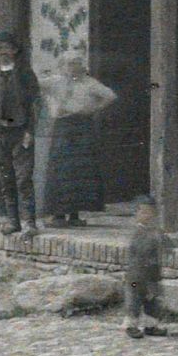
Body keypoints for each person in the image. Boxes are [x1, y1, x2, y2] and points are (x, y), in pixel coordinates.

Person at [37, 55, 116, 227]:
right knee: (61, 170)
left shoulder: (89, 83)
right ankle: (57, 216)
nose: (74, 67)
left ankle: (74, 215)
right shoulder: (55, 82)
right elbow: (34, 84)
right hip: (63, 127)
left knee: (79, 171)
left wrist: (93, 108)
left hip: (81, 126)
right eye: (70, 64)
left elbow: (110, 96)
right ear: (62, 65)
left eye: (78, 63)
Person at [0, 31, 41, 235]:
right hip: (1, 134)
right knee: (6, 179)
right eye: (0, 50)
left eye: (7, 49)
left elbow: (35, 105)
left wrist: (30, 131)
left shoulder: (25, 74)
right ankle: (13, 221)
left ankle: (29, 223)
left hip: (21, 132)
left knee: (23, 178)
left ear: (15, 51)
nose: (4, 53)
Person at [122, 198, 169, 339]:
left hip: (152, 274)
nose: (147, 216)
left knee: (153, 301)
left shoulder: (155, 232)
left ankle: (151, 325)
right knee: (134, 300)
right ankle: (131, 325)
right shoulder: (137, 233)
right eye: (143, 212)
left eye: (151, 213)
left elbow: (164, 247)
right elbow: (137, 254)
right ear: (136, 214)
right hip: (136, 276)